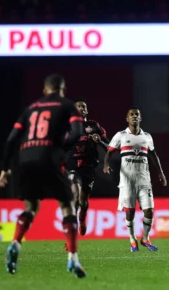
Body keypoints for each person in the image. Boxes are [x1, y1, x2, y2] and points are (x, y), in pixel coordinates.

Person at [0, 74, 87, 278]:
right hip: (49, 156)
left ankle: (15, 243)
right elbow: (76, 133)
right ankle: (72, 258)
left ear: (45, 90)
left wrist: (5, 168)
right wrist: (60, 149)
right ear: (62, 89)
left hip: (24, 159)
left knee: (31, 206)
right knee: (67, 205)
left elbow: (11, 139)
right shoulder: (68, 105)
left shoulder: (30, 108)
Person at [103, 108, 167, 252]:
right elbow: (109, 151)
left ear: (140, 118)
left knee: (149, 210)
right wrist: (106, 165)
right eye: (131, 115)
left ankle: (145, 238)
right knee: (130, 212)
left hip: (144, 179)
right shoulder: (120, 136)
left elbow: (153, 155)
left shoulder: (147, 137)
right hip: (127, 181)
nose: (134, 117)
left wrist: (161, 173)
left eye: (137, 115)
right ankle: (132, 240)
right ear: (127, 119)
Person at [67, 99, 109, 236]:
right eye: (78, 106)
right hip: (73, 165)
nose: (81, 108)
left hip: (89, 167)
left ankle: (82, 218)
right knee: (75, 198)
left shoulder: (94, 125)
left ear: (86, 110)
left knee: (83, 202)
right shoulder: (67, 126)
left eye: (83, 106)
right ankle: (71, 235)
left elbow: (110, 147)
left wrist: (99, 140)